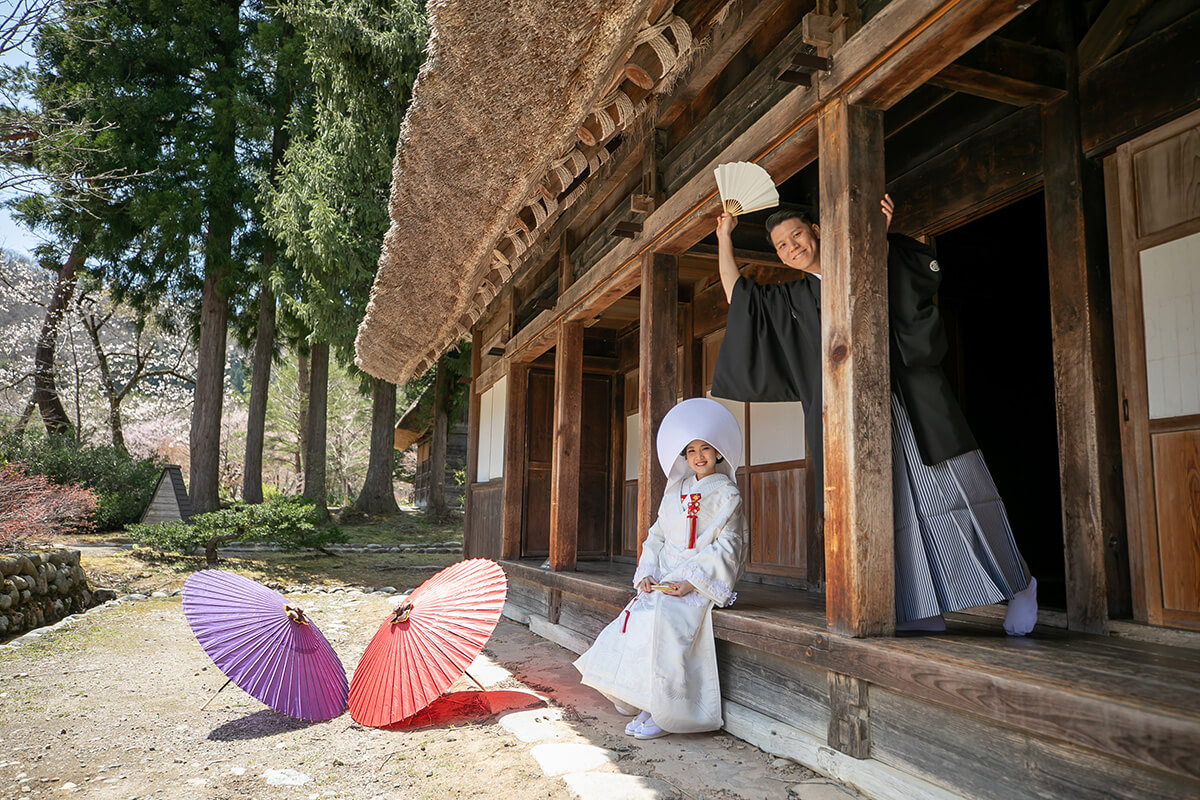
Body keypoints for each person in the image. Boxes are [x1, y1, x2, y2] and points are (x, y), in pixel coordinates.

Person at [710, 198, 1038, 635]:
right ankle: (920, 607)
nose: (792, 248)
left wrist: (878, 239)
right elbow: (740, 300)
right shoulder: (793, 299)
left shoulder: (865, 265)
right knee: (886, 508)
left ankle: (1021, 585)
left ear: (817, 229)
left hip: (908, 403)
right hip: (849, 422)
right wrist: (723, 239)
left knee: (957, 491)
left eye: (797, 236)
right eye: (782, 246)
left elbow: (911, 289)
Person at [574, 397, 747, 739]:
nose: (699, 456)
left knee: (665, 621)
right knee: (636, 617)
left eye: (706, 448)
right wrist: (647, 573)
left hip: (697, 582)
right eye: (692, 450)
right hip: (664, 580)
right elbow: (656, 537)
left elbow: (729, 545)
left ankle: (663, 709)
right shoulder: (674, 493)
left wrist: (693, 581)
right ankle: (645, 701)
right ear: (684, 456)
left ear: (718, 452)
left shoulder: (728, 495)